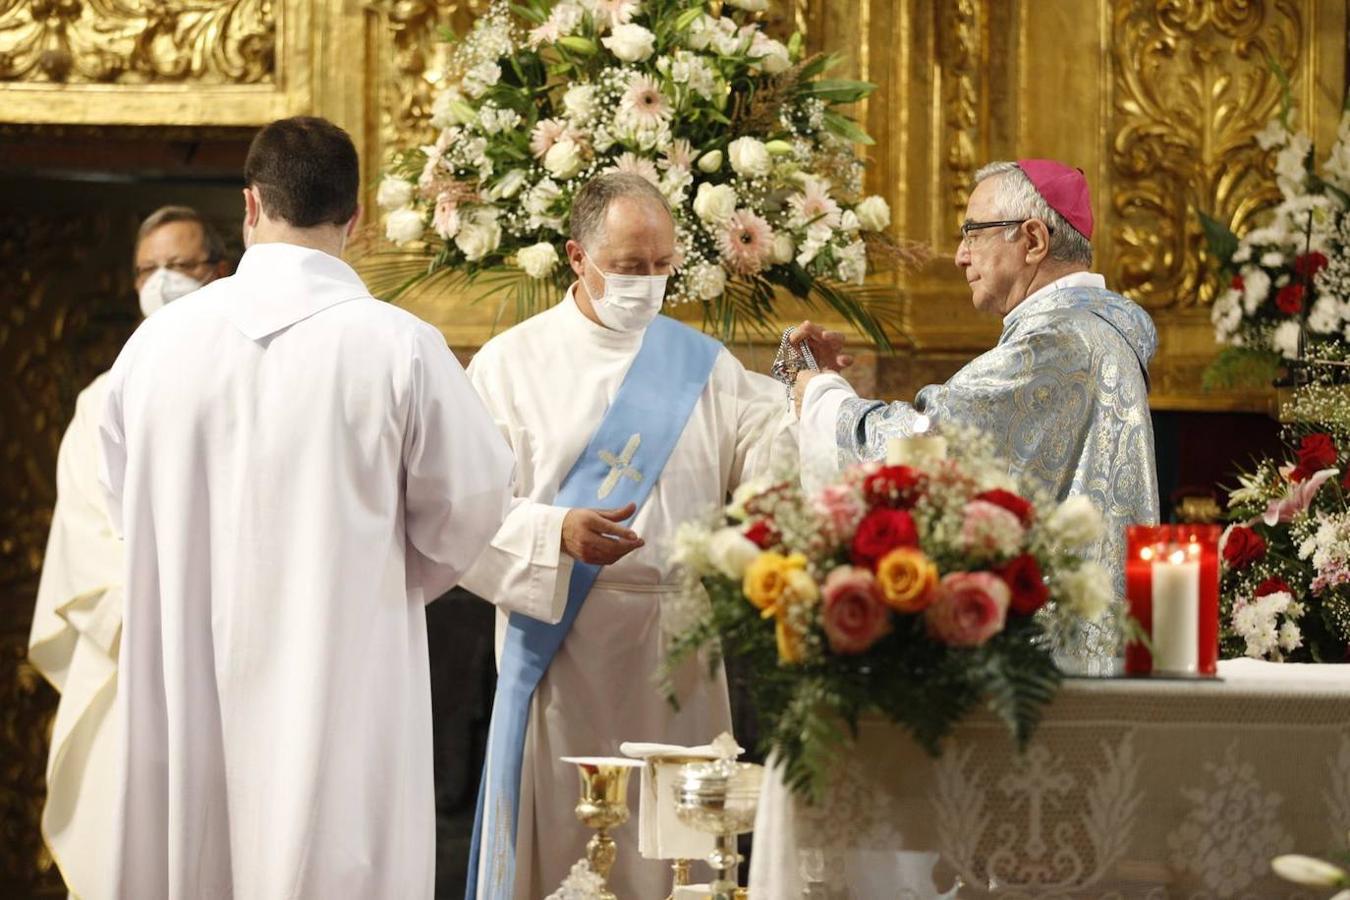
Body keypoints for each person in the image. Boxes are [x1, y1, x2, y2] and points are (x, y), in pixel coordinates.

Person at [98, 116, 515, 898]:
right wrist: (379, 578)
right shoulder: (401, 346)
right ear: (354, 222)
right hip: (342, 672)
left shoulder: (151, 349)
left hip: (189, 671)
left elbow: (128, 506)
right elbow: (470, 509)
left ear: (250, 207)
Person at [463, 172, 795, 900]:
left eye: (661, 267)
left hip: (680, 650)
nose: (647, 284)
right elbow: (465, 513)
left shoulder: (702, 366)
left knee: (680, 859)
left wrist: (809, 390)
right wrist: (555, 533)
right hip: (563, 645)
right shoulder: (508, 367)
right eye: (628, 267)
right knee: (571, 854)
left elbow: (772, 450)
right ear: (578, 257)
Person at [793, 159, 1159, 653]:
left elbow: (929, 444)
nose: (960, 256)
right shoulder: (1091, 332)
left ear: (1032, 240)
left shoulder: (1058, 340)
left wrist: (818, 393)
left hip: (1044, 654)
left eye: (973, 232)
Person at [28, 205, 230, 899]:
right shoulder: (101, 401)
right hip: (135, 671)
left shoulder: (255, 387)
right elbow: (87, 541)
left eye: (182, 265)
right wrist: (166, 620)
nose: (164, 282)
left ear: (221, 271)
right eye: (150, 269)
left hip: (236, 665)